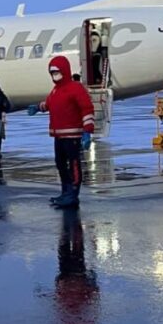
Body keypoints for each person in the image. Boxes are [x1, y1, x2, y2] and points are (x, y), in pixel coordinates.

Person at [28, 56, 96, 209]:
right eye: (52, 72)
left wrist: (87, 131)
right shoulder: (55, 90)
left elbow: (86, 108)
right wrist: (38, 108)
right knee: (60, 164)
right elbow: (50, 104)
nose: (54, 75)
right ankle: (66, 191)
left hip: (72, 135)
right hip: (58, 135)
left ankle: (73, 194)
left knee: (74, 164)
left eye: (57, 71)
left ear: (64, 70)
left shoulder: (75, 88)